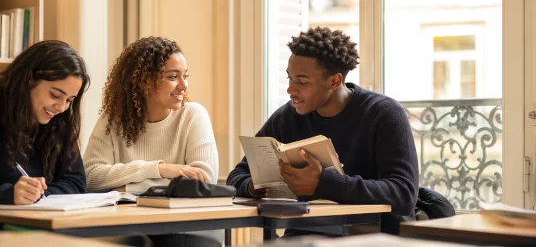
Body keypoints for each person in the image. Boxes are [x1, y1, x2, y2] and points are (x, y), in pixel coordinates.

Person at [226, 27, 419, 235]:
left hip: (372, 237)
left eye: (302, 82)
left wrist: (323, 183)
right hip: (304, 238)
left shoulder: (384, 113)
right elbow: (236, 175)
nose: (291, 89)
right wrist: (254, 186)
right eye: (289, 79)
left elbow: (404, 193)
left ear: (334, 81)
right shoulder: (287, 117)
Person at [83, 36, 220, 247]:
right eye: (173, 76)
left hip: (180, 223)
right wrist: (159, 169)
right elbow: (91, 176)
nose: (184, 85)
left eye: (185, 76)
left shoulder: (193, 115)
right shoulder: (112, 120)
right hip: (124, 222)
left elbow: (203, 180)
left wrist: (125, 188)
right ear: (144, 81)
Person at [0, 40, 90, 226]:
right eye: (54, 95)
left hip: (42, 229)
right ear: (29, 81)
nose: (61, 107)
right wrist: (9, 194)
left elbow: (76, 182)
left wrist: (38, 195)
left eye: (69, 100)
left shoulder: (59, 123)